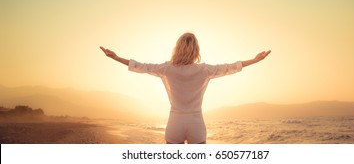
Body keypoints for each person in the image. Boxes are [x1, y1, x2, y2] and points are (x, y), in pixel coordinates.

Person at [100, 32, 271, 144]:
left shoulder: (166, 68)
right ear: (196, 49)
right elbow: (230, 67)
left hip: (175, 122)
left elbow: (140, 66)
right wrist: (254, 60)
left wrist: (115, 57)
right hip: (196, 122)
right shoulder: (204, 70)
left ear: (177, 48)